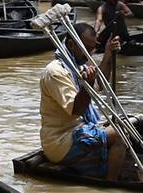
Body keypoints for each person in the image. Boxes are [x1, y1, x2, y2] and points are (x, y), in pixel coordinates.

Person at [39, 23, 126, 180]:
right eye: (86, 48)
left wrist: (108, 53)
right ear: (71, 44)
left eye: (93, 48)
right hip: (60, 142)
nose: (89, 53)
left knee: (122, 124)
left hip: (79, 130)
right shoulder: (55, 72)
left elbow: (100, 84)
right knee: (120, 135)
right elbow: (76, 109)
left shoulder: (76, 65)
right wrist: (88, 85)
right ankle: (111, 186)